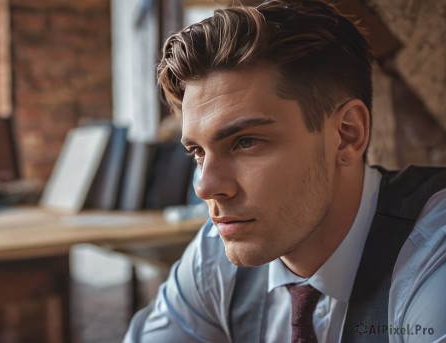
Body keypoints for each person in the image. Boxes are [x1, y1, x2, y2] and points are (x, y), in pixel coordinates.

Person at [123, 1, 446, 342]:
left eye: (245, 142)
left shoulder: (432, 252)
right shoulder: (215, 255)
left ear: (347, 134)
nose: (205, 187)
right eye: (198, 152)